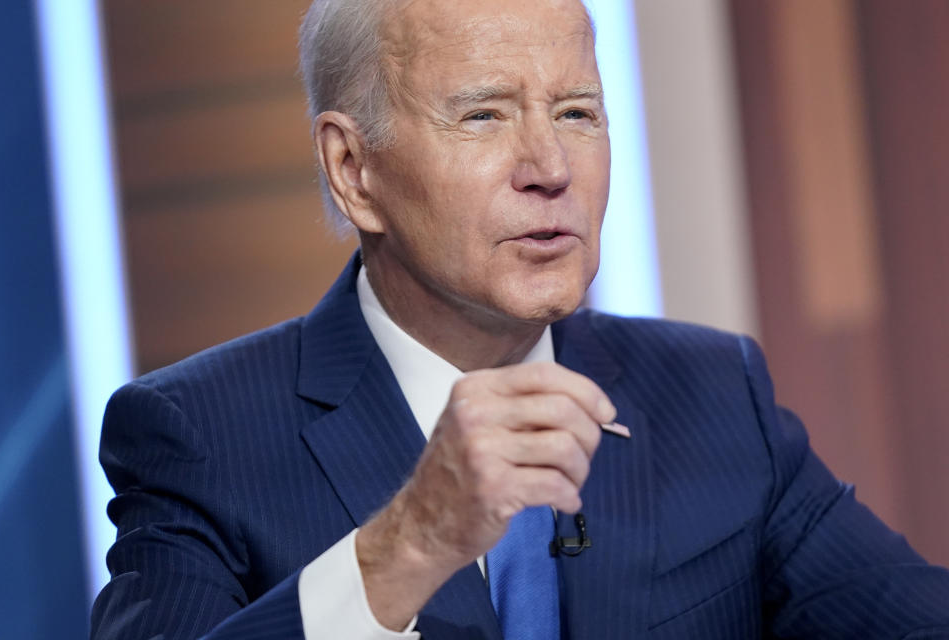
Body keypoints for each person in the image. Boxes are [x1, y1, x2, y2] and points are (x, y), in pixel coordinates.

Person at [90, 0, 949, 638]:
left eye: (577, 112)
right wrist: (406, 546)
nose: (549, 167)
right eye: (484, 115)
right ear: (353, 169)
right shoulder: (197, 435)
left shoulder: (715, 394)